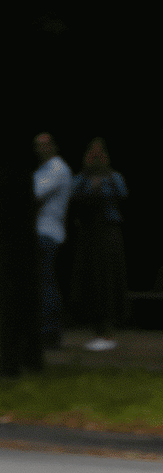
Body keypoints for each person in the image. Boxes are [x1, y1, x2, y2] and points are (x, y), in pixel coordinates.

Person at [66, 140, 129, 348]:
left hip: (108, 234)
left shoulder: (114, 177)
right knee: (89, 280)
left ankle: (109, 328)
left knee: (109, 280)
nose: (95, 157)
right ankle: (92, 326)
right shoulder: (79, 179)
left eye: (99, 153)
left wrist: (101, 186)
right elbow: (72, 196)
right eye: (91, 153)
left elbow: (122, 195)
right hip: (87, 235)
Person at [31, 131, 72, 347]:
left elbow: (34, 195)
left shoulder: (57, 169)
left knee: (44, 280)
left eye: (45, 144)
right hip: (41, 231)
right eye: (37, 145)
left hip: (47, 232)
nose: (41, 149)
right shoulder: (44, 170)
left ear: (54, 146)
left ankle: (50, 331)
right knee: (42, 280)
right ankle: (46, 329)